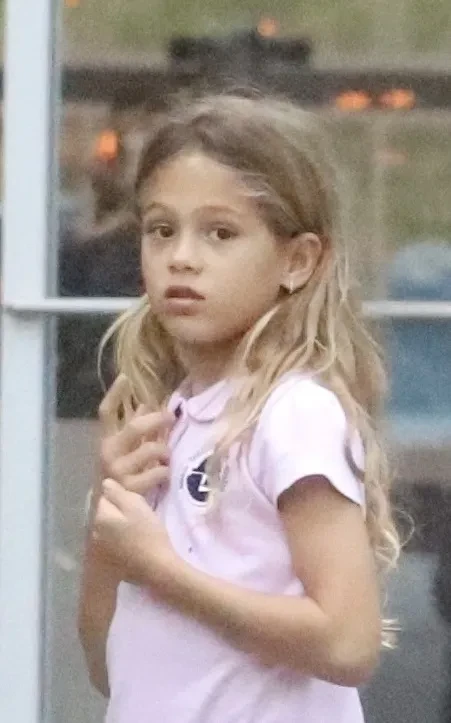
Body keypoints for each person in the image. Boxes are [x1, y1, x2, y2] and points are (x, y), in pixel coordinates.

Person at [78, 93, 400, 723]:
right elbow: (104, 667)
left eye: (220, 233)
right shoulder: (166, 418)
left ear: (298, 261)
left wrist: (162, 570)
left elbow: (348, 642)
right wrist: (108, 515)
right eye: (161, 230)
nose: (181, 257)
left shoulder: (294, 413)